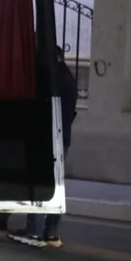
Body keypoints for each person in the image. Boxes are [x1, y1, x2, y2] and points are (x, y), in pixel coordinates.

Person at [10, 46, 80, 249]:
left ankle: (34, 230)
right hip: (61, 138)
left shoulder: (52, 78)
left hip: (49, 138)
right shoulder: (67, 77)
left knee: (41, 183)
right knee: (55, 184)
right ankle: (51, 232)